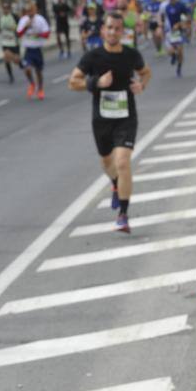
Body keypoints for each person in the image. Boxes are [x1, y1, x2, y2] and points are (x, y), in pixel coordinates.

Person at [69, 12, 151, 233]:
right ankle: (115, 183)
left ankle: (123, 215)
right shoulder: (93, 57)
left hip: (126, 117)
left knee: (123, 162)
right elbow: (73, 82)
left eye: (117, 28)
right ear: (103, 30)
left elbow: (146, 72)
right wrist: (97, 82)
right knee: (107, 162)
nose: (113, 32)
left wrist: (141, 85)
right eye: (109, 28)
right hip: (102, 119)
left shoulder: (131, 55)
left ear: (122, 31)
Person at [17, 1, 51, 100]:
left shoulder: (40, 20)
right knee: (27, 69)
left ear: (35, 10)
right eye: (28, 11)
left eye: (31, 10)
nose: (30, 13)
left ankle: (40, 89)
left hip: (37, 49)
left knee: (38, 71)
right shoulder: (23, 20)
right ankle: (32, 83)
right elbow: (18, 34)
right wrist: (26, 26)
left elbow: (47, 34)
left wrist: (39, 34)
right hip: (28, 49)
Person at [164, 0, 191, 76]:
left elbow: (187, 16)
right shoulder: (166, 6)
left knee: (180, 51)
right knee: (170, 51)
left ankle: (179, 68)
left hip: (179, 31)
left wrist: (181, 24)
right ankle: (173, 56)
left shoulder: (181, 5)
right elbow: (162, 17)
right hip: (169, 31)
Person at [0, 2, 22, 82]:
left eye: (7, 8)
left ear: (10, 9)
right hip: (5, 42)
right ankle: (10, 76)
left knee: (16, 60)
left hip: (14, 42)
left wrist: (14, 28)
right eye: (4, 8)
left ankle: (20, 62)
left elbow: (20, 27)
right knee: (6, 58)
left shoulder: (14, 16)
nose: (5, 10)